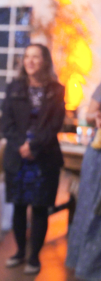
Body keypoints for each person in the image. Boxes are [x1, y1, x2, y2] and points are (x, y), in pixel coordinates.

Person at [1, 43, 65, 275]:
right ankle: (19, 252)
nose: (30, 61)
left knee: (39, 208)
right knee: (18, 206)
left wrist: (34, 146)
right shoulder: (14, 87)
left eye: (35, 57)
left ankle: (34, 257)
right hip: (18, 157)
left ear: (45, 61)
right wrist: (21, 146)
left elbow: (55, 124)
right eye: (27, 57)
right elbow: (6, 123)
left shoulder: (56, 90)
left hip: (44, 157)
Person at [66, 82, 101, 280]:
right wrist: (97, 116)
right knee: (92, 208)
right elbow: (87, 114)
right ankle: (88, 266)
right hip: (98, 156)